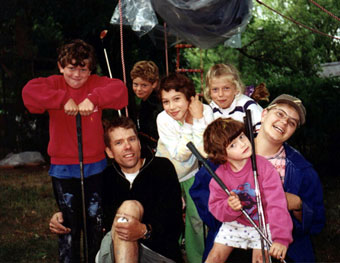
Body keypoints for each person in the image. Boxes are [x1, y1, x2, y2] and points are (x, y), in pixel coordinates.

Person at [22, 39, 128, 262]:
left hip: (96, 166)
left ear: (91, 70)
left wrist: (94, 98)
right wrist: (62, 100)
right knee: (68, 226)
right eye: (71, 68)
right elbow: (29, 93)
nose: (77, 74)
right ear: (61, 67)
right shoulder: (54, 84)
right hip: (63, 168)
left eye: (83, 69)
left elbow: (120, 91)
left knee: (95, 223)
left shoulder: (96, 84)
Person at [190, 94, 325, 262]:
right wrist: (231, 211)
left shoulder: (302, 170)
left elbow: (316, 223)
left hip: (281, 242)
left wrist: (298, 204)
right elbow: (202, 195)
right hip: (231, 235)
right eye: (280, 113)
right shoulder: (225, 152)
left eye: (292, 122)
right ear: (264, 113)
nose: (284, 122)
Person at [50, 116, 184, 263]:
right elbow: (89, 213)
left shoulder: (162, 168)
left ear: (139, 143)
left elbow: (174, 219)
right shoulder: (105, 177)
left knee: (129, 208)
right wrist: (62, 217)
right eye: (119, 143)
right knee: (126, 213)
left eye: (131, 139)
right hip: (115, 251)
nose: (127, 146)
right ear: (109, 152)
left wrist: (144, 231)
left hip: (157, 253)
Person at [203, 118, 292, 263]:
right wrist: (229, 207)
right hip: (236, 223)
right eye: (233, 145)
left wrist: (281, 238)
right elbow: (216, 208)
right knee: (214, 257)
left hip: (264, 223)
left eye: (241, 136)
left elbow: (277, 204)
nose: (243, 143)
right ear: (222, 155)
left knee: (260, 259)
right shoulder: (219, 177)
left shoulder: (265, 168)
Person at [155, 72, 214, 263]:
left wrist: (198, 119)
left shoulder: (205, 111)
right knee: (169, 219)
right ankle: (170, 255)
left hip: (192, 173)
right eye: (166, 101)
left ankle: (197, 258)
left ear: (190, 97)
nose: (171, 107)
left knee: (197, 219)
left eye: (177, 99)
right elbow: (180, 154)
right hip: (167, 175)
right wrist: (192, 123)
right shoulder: (163, 119)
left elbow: (205, 151)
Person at [204, 63, 263, 131]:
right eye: (215, 89)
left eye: (226, 88)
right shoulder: (210, 110)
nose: (220, 94)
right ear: (209, 92)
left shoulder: (247, 105)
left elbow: (262, 129)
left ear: (236, 89)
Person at [130, 60, 163, 151]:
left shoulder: (157, 105)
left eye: (144, 85)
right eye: (135, 84)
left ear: (154, 84)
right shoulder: (145, 101)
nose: (139, 89)